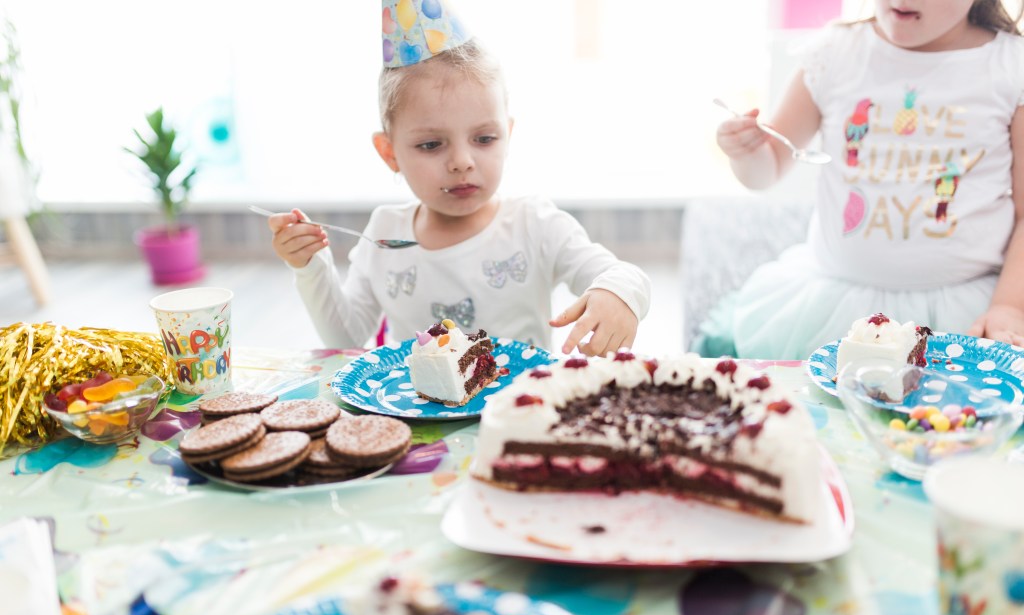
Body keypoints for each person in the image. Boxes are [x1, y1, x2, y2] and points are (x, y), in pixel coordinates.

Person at [265, 2, 650, 356]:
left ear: (508, 135)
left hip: (518, 416)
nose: (462, 162)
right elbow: (344, 340)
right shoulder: (384, 231)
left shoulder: (535, 223)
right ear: (389, 153)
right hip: (418, 424)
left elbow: (622, 273)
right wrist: (311, 266)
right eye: (432, 144)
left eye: (484, 139)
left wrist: (617, 292)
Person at [699, 0, 1024, 361]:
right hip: (833, 307)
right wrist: (746, 153)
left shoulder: (1010, 68)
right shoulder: (836, 53)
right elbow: (768, 168)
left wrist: (1009, 305)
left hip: (964, 306)